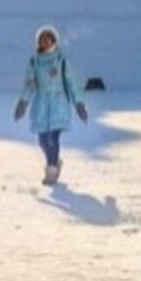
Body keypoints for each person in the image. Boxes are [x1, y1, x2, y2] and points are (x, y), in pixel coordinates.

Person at [14, 25, 88, 185]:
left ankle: (51, 170)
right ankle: (55, 161)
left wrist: (79, 104)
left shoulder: (62, 62)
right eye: (42, 39)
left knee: (52, 139)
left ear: (54, 41)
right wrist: (23, 103)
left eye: (49, 38)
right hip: (41, 107)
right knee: (42, 140)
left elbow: (71, 84)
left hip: (58, 106)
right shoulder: (34, 62)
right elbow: (30, 85)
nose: (45, 42)